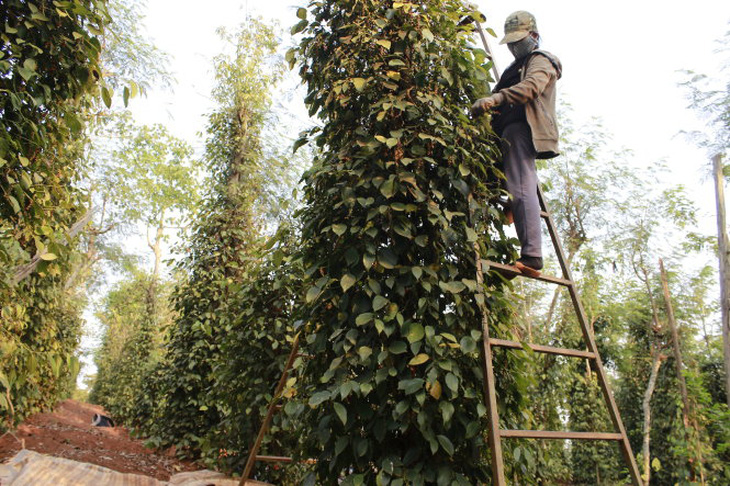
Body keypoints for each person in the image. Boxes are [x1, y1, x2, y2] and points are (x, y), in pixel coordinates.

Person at [471, 11, 562, 278]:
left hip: (521, 130)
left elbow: (531, 88)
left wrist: (494, 99)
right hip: (502, 135)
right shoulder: (515, 67)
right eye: (510, 42)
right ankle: (508, 211)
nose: (513, 46)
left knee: (522, 188)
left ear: (533, 36)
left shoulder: (541, 61)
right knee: (495, 184)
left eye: (518, 40)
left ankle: (532, 257)